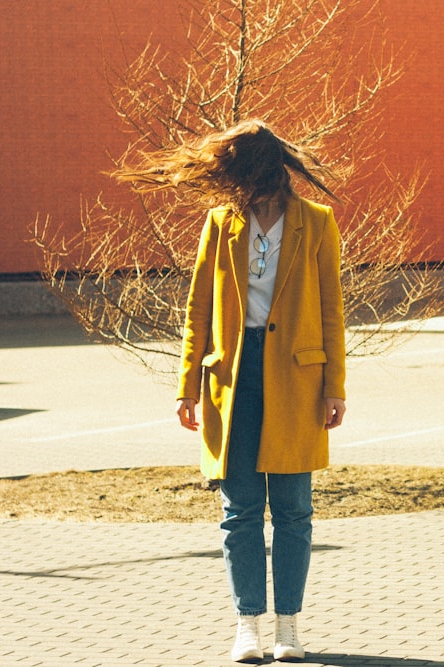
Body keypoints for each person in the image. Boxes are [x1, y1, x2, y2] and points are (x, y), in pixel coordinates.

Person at [117, 119, 347, 663]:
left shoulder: (317, 223)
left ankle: (288, 626)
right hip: (231, 377)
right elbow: (198, 308)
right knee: (240, 510)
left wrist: (334, 385)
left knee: (292, 509)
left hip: (297, 379)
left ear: (260, 170)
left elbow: (332, 311)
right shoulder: (221, 224)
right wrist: (187, 385)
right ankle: (248, 625)